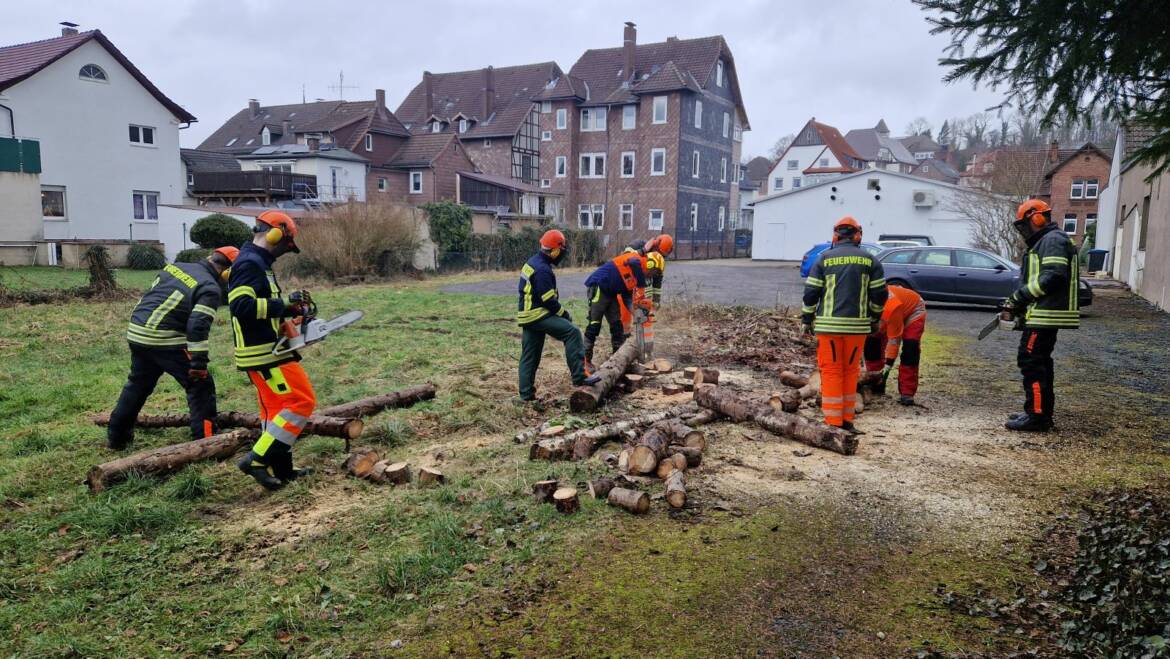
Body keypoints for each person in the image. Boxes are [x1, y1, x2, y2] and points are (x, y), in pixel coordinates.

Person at [106, 247, 239, 449]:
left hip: (137, 331)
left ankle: (117, 437)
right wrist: (198, 363)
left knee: (138, 385)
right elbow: (198, 326)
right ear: (227, 272)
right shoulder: (210, 287)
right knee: (200, 384)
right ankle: (205, 441)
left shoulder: (177, 267)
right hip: (164, 338)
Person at [229, 210, 318, 490]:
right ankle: (256, 459)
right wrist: (284, 306)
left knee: (277, 410)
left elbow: (262, 311)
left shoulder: (258, 263)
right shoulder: (249, 264)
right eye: (284, 245)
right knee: (301, 402)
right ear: (275, 234)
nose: (283, 252)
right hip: (265, 354)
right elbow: (241, 308)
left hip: (266, 349)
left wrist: (291, 320)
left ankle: (281, 468)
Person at [801, 216, 888, 431]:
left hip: (828, 328)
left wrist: (807, 318)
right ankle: (847, 420)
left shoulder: (823, 259)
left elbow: (811, 292)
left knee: (830, 371)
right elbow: (879, 295)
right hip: (857, 328)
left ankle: (832, 423)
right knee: (850, 371)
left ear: (835, 235)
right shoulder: (870, 261)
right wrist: (874, 319)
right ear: (858, 235)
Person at [1002, 199, 1080, 432]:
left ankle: (1037, 417)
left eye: (1025, 224)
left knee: (1032, 361)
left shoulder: (1052, 240)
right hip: (1041, 313)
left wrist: (1020, 297)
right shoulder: (1047, 241)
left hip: (1046, 314)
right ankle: (1038, 412)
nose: (1025, 230)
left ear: (1035, 218)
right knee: (1040, 363)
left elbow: (1053, 276)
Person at [517, 230, 599, 401]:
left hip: (527, 315)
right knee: (572, 332)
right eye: (560, 251)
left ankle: (526, 396)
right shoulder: (542, 269)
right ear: (554, 250)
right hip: (538, 314)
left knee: (529, 356)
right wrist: (565, 314)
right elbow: (548, 300)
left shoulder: (534, 262)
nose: (561, 254)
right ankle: (579, 376)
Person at [583, 250, 648, 373]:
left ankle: (618, 357)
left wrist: (636, 313)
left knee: (616, 324)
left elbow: (627, 298)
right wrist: (641, 283)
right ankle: (585, 360)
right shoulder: (636, 263)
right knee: (594, 324)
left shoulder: (634, 276)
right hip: (599, 286)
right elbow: (633, 261)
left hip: (611, 293)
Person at [864, 284, 927, 405]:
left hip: (913, 311)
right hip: (883, 316)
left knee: (910, 349)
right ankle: (875, 383)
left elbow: (894, 341)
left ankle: (907, 393)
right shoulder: (861, 302)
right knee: (872, 345)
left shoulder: (892, 308)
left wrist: (887, 369)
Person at [623, 234, 674, 358]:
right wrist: (644, 250)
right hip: (630, 286)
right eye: (659, 253)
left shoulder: (659, 258)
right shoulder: (638, 245)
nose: (660, 256)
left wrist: (656, 300)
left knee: (646, 319)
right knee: (625, 319)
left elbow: (658, 279)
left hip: (646, 291)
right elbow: (626, 258)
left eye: (663, 255)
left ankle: (647, 349)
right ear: (655, 245)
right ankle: (623, 345)